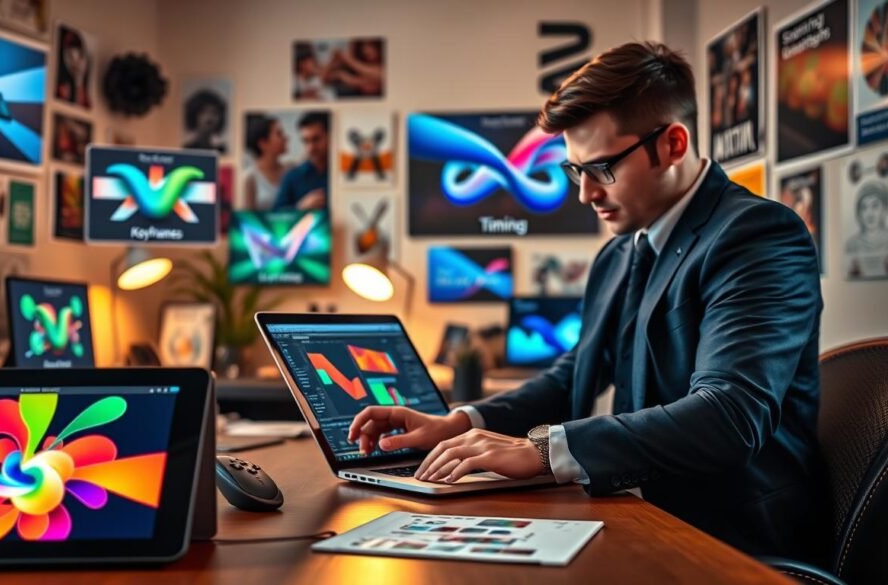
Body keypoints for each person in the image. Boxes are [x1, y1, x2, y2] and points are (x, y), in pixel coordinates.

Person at [348, 41, 827, 563]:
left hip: (730, 542)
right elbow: (572, 376)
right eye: (575, 171)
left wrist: (543, 449)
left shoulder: (757, 234)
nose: (585, 195)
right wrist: (460, 422)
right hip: (635, 516)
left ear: (671, 143)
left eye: (601, 168)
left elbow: (729, 415)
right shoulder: (621, 252)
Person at [272, 112, 329, 211]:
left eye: (316, 139)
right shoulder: (292, 177)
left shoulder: (344, 174)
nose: (310, 148)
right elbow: (276, 216)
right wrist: (301, 207)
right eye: (305, 141)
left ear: (330, 137)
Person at [243, 115, 289, 210]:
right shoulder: (250, 178)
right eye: (279, 134)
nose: (286, 138)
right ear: (263, 143)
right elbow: (249, 217)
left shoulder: (290, 170)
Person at [845, 182, 888, 278]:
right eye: (864, 207)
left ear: (884, 209)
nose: (870, 213)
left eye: (875, 206)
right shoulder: (851, 244)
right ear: (859, 213)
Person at [183, 89, 228, 153]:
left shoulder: (221, 149)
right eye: (204, 112)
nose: (209, 117)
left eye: (214, 112)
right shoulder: (187, 148)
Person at [56, 27, 90, 108]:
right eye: (70, 56)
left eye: (80, 56)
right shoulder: (61, 90)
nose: (76, 64)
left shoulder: (85, 97)